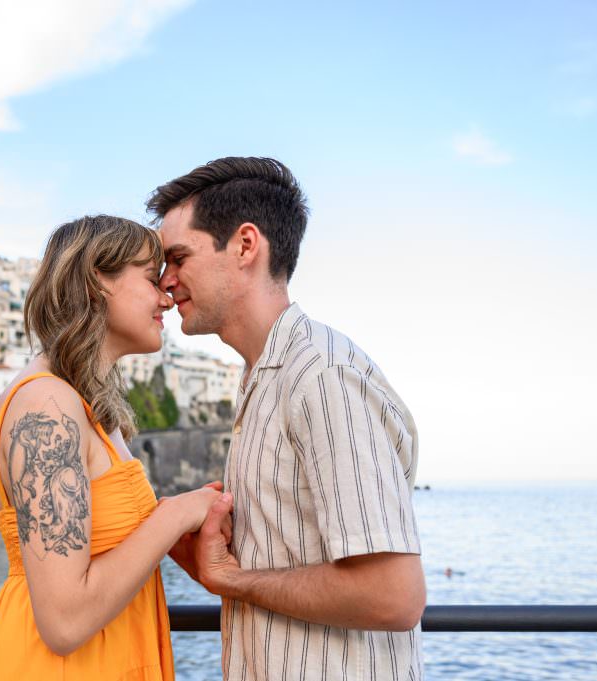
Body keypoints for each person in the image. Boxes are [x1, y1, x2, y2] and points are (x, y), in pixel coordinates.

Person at [148, 158, 426, 680]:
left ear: (246, 245)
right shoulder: (266, 378)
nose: (166, 282)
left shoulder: (321, 376)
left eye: (178, 258)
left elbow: (393, 596)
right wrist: (214, 561)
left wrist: (233, 580)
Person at [0, 215, 225, 680]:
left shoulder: (86, 408)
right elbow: (64, 622)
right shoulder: (47, 406)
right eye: (151, 278)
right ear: (96, 281)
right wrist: (175, 515)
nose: (166, 295)